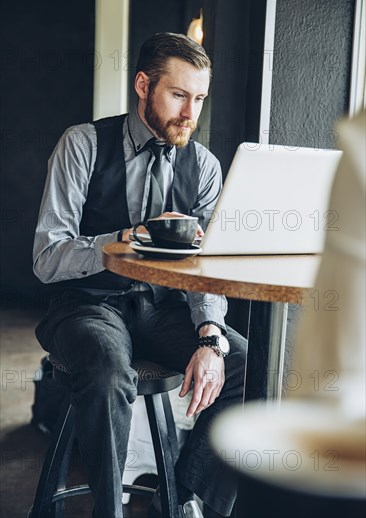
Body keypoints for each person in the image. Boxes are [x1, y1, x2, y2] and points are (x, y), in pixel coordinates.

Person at [33, 32, 247, 518]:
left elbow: (206, 265)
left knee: (244, 364)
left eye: (199, 99)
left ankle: (185, 497)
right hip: (88, 306)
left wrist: (211, 335)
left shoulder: (205, 166)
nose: (190, 112)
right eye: (178, 95)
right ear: (143, 84)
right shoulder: (82, 144)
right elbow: (47, 257)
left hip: (162, 308)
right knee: (108, 368)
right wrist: (127, 239)